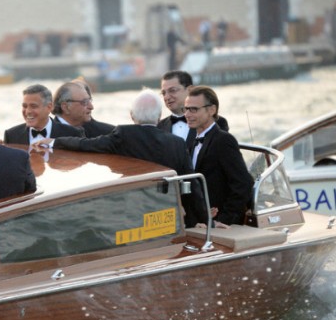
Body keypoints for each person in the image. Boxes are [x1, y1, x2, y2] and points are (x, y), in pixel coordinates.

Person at [35, 89, 207, 227]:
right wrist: (206, 220)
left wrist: (54, 142)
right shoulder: (177, 143)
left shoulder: (123, 134)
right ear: (159, 116)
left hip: (132, 210)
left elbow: (87, 144)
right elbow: (193, 184)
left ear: (132, 115)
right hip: (166, 212)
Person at [185, 85, 253, 225]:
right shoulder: (191, 139)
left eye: (194, 109)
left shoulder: (223, 140)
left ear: (212, 110)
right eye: (186, 109)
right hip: (198, 222)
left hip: (219, 224)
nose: (187, 114)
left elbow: (243, 183)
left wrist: (225, 219)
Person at [158, 70, 229, 151]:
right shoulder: (158, 127)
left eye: (172, 90)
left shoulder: (215, 122)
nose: (166, 97)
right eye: (163, 93)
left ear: (190, 90)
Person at [3, 83, 83, 145]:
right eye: (25, 106)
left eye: (33, 106)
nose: (28, 111)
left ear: (49, 107)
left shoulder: (72, 134)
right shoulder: (11, 135)